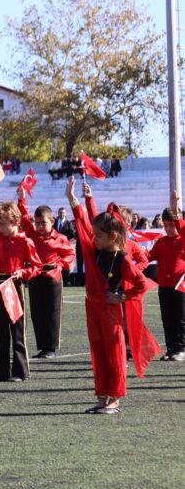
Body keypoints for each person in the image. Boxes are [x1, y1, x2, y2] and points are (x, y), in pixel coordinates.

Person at [65, 177, 161, 413]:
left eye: (98, 235)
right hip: (93, 308)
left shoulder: (123, 258)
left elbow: (141, 283)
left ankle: (115, 398)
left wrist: (122, 298)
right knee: (98, 353)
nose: (93, 238)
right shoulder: (95, 250)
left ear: (113, 237)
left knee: (114, 353)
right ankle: (102, 397)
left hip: (110, 311)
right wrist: (74, 199)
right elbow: (83, 224)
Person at [0, 180, 43, 383]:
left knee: (17, 330)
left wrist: (23, 273)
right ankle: (2, 372)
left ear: (15, 222)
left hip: (15, 286)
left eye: (3, 223)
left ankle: (20, 371)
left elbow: (37, 266)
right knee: (1, 330)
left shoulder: (25, 241)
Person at [15, 187, 76, 360]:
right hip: (35, 275)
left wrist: (60, 266)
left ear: (52, 221)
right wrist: (22, 199)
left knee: (52, 312)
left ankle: (51, 348)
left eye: (44, 223)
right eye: (38, 223)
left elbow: (70, 254)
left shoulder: (60, 238)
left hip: (52, 278)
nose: (40, 226)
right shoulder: (32, 234)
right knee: (37, 312)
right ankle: (42, 347)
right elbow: (24, 218)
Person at [150, 204, 185, 362]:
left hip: (181, 286)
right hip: (164, 286)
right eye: (165, 225)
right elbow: (149, 256)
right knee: (167, 319)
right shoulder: (161, 242)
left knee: (181, 319)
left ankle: (182, 349)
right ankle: (171, 349)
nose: (169, 229)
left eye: (171, 225)